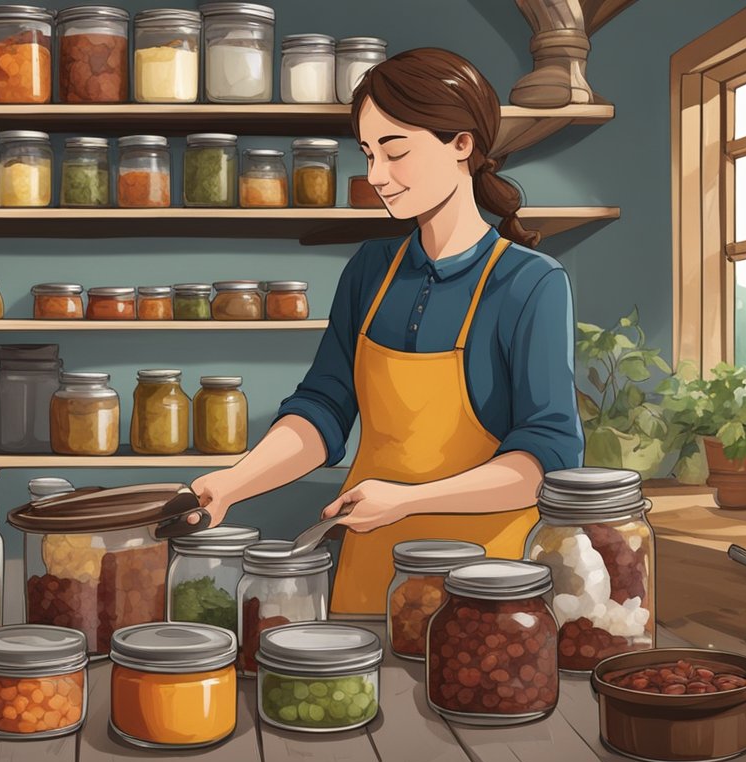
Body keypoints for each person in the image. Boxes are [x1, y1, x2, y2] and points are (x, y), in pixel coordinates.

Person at [191, 48, 584, 616]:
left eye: (395, 151)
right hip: (372, 563)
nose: (377, 177)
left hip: (486, 579)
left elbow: (546, 459)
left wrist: (410, 501)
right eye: (369, 153)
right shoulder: (371, 269)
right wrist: (233, 483)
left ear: (462, 144)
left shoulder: (530, 283)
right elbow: (324, 409)